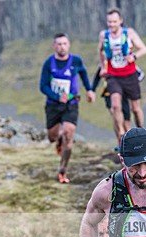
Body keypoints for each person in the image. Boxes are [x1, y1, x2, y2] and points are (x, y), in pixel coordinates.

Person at [40, 33, 95, 183]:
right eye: (58, 44)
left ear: (69, 44)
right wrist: (57, 96)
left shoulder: (76, 61)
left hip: (71, 104)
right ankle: (58, 140)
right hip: (53, 105)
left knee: (68, 133)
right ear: (54, 46)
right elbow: (42, 86)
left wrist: (89, 89)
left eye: (64, 43)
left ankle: (63, 170)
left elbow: (83, 73)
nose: (61, 47)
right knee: (52, 137)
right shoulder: (48, 63)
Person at [97, 8, 146, 143]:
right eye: (109, 22)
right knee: (115, 106)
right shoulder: (104, 35)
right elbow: (100, 50)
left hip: (130, 75)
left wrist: (134, 56)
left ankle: (141, 131)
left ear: (120, 21)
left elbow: (144, 49)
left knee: (135, 109)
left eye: (114, 21)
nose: (112, 25)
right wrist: (103, 67)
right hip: (113, 76)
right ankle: (121, 136)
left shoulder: (129, 33)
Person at [92, 65, 145, 148]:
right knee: (114, 112)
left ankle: (131, 142)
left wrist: (132, 82)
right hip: (109, 93)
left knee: (126, 119)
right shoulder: (105, 63)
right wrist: (92, 90)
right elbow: (97, 77)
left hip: (124, 94)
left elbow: (141, 74)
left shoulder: (125, 62)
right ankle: (121, 140)